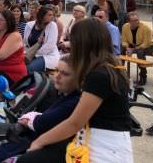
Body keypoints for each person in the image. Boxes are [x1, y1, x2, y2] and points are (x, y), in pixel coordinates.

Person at [23, 18, 132, 163]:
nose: (70, 46)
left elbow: (75, 122)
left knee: (30, 159)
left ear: (83, 44)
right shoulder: (113, 68)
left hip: (103, 147)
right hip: (111, 143)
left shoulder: (99, 75)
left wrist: (40, 141)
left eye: (73, 42)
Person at [0, 55, 80, 163]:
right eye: (57, 71)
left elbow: (43, 122)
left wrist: (30, 121)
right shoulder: (64, 95)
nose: (57, 76)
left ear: (78, 78)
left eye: (65, 74)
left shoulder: (72, 102)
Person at [23, 6, 59, 74]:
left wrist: (34, 54)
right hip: (29, 53)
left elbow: (50, 46)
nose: (52, 17)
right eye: (49, 15)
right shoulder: (29, 25)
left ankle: (34, 84)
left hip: (47, 55)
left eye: (52, 15)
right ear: (42, 15)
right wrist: (27, 53)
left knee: (29, 68)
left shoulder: (53, 26)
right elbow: (24, 42)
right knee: (18, 66)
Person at [122, 11, 153, 85]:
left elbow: (147, 43)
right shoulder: (125, 27)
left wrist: (133, 49)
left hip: (148, 46)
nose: (137, 22)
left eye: (137, 20)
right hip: (133, 45)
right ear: (129, 22)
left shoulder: (146, 28)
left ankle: (143, 75)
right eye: (134, 21)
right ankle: (120, 71)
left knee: (140, 52)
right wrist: (127, 47)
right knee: (121, 49)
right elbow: (124, 41)